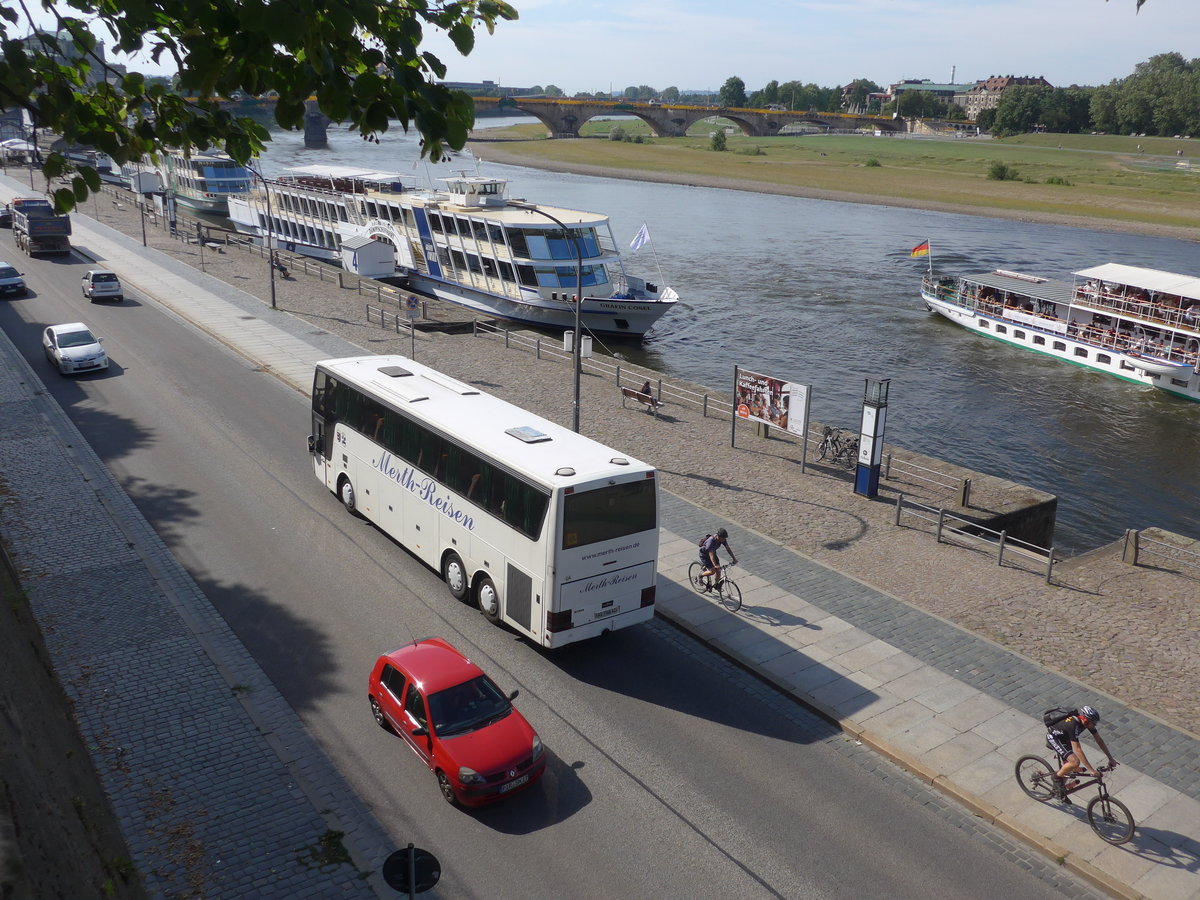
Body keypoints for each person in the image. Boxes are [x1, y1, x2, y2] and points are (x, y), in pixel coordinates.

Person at [1045, 705, 1118, 803]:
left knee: (1069, 767)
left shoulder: (1087, 723)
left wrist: (1110, 758)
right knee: (1075, 762)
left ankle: (1059, 791)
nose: (1095, 726)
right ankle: (1056, 777)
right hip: (1054, 738)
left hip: (1065, 738)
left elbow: (1099, 740)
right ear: (1086, 720)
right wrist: (1091, 770)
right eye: (1094, 723)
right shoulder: (1072, 725)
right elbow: (1078, 750)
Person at [698, 528, 737, 592]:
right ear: (718, 536)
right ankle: (700, 576)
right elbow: (711, 555)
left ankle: (716, 585)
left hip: (713, 553)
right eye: (723, 538)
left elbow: (728, 548)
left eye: (725, 538)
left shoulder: (722, 539)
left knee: (718, 571)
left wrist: (734, 559)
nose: (724, 540)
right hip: (705, 555)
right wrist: (715, 565)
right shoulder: (711, 541)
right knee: (712, 571)